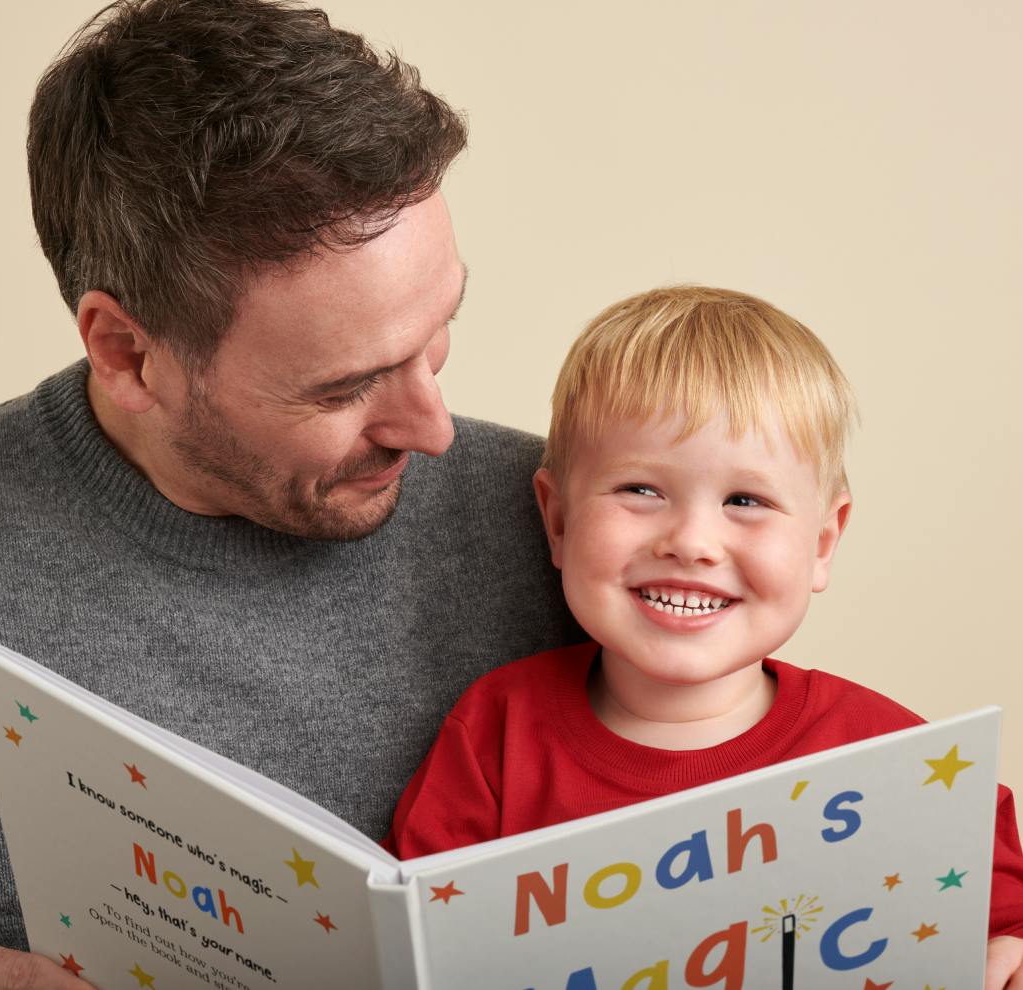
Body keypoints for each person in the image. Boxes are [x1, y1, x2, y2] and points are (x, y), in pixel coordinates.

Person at [0, 0, 578, 988]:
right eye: (346, 384)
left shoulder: (569, 527)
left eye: (437, 330)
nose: (433, 428)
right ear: (129, 353)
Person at [386, 285, 1023, 987]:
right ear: (558, 521)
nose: (691, 542)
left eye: (745, 501)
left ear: (822, 543)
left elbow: (1002, 927)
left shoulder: (897, 767)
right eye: (641, 490)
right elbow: (405, 945)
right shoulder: (495, 733)